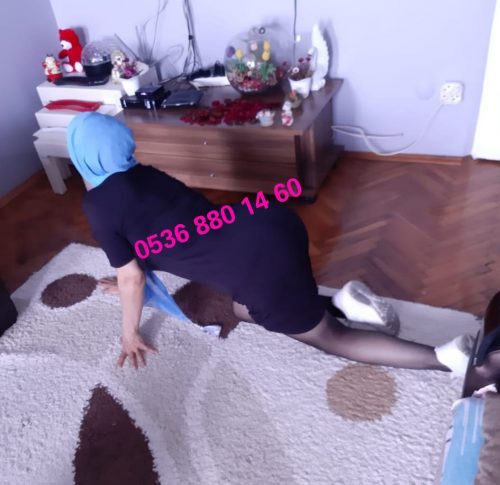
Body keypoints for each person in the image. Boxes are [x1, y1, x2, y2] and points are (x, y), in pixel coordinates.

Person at [67, 113, 498, 383]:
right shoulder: (143, 173)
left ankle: (447, 358)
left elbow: (132, 274)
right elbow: (144, 249)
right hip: (268, 221)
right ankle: (343, 301)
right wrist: (127, 277)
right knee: (243, 310)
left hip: (256, 260)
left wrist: (129, 331)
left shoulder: (98, 204)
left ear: (82, 156)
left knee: (329, 338)